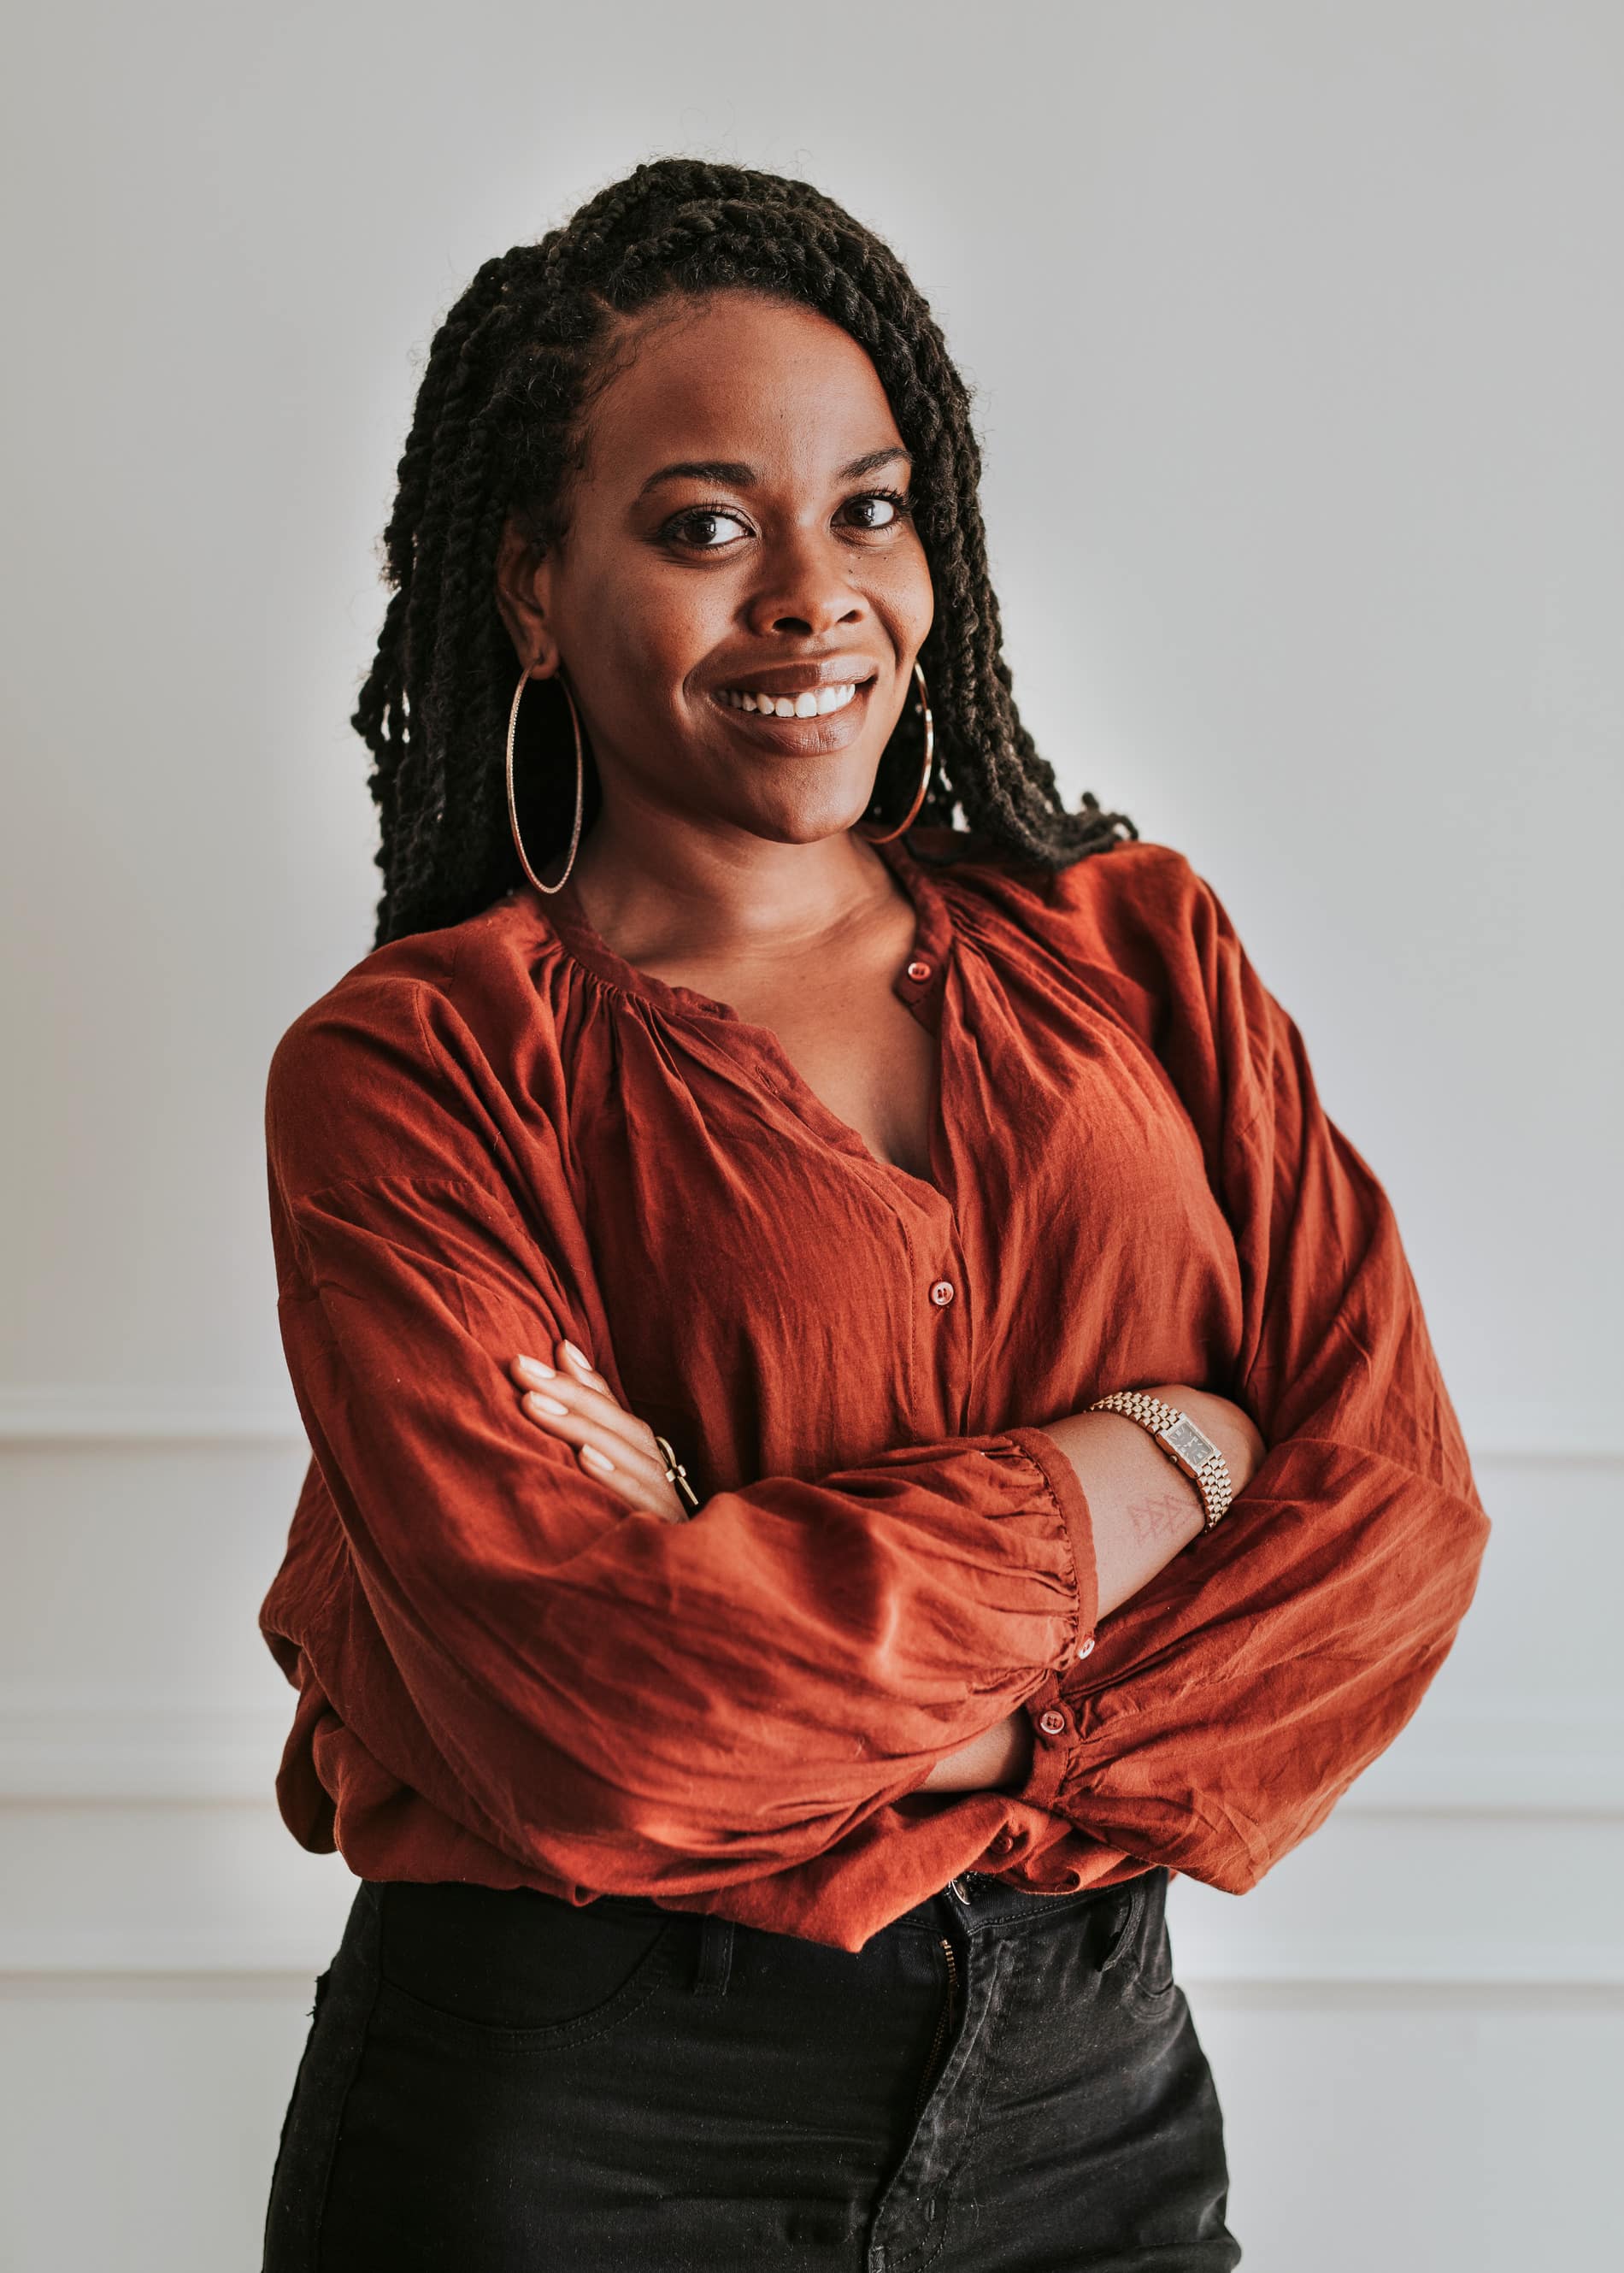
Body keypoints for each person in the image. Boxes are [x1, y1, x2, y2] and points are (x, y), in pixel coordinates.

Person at [256, 159, 1490, 2271]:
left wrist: (783, 1597)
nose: (812, 594)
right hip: (580, 2124)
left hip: (1085, 2105)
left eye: (871, 508)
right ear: (535, 588)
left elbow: (1391, 1528)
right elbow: (608, 1712)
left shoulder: (1140, 956)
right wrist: (1164, 1457)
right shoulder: (415, 1071)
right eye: (705, 525)